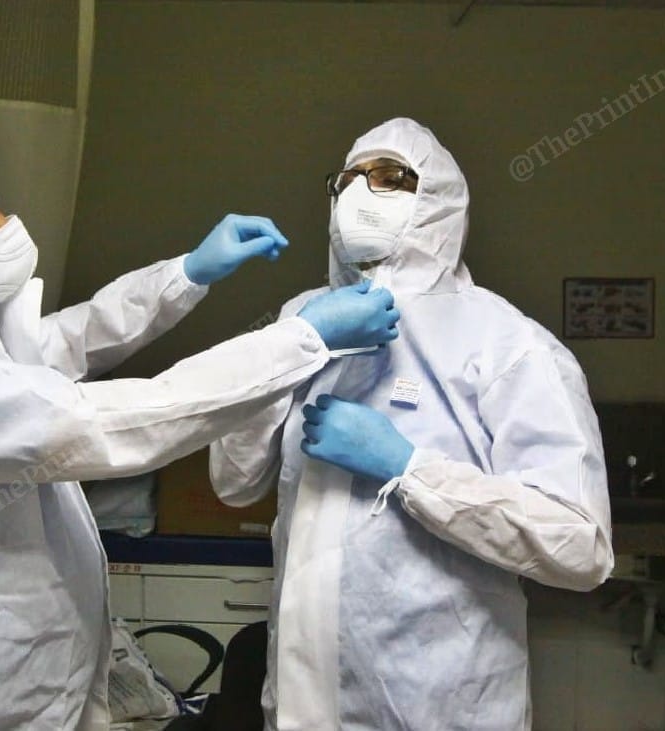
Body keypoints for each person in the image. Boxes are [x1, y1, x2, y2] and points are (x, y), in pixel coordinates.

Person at [0, 113, 400, 730]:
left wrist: (185, 275)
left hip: (19, 681)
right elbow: (99, 424)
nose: (5, 228)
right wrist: (301, 340)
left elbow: (58, 344)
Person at [209, 117, 614, 730]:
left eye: (390, 178)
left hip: (440, 706)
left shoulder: (507, 345)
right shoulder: (305, 319)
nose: (358, 194)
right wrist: (284, 352)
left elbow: (579, 546)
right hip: (299, 706)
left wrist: (411, 471)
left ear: (438, 202)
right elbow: (234, 484)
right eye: (346, 180)